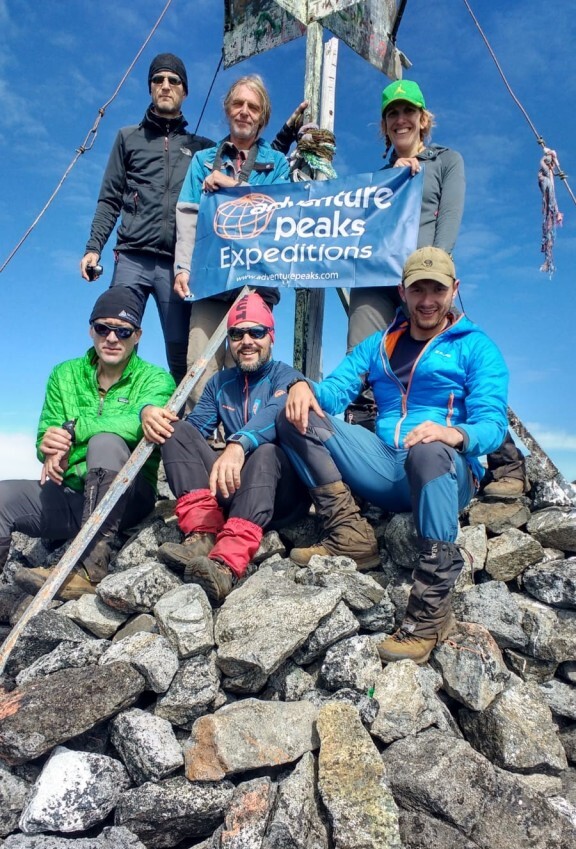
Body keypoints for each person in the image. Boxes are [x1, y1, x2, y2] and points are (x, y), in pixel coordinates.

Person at [277, 247, 509, 665]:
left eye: (436, 290)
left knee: (428, 452)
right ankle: (351, 536)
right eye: (417, 289)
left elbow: (493, 425)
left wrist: (453, 433)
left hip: (443, 473)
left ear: (454, 290)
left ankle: (428, 613)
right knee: (296, 416)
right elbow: (334, 391)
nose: (426, 300)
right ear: (402, 291)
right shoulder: (378, 344)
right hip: (384, 463)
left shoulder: (477, 348)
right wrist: (301, 386)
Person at [346, 78, 526, 497]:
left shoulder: (446, 161)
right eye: (392, 113)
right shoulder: (377, 176)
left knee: (451, 361)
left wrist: (432, 274)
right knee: (366, 355)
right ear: (385, 125)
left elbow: (450, 220)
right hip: (375, 278)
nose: (401, 119)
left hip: (425, 278)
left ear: (423, 119)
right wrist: (389, 180)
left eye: (409, 111)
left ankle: (507, 461)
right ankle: (377, 460)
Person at [2, 287, 175, 600]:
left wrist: (75, 430)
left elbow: (138, 426)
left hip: (128, 498)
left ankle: (90, 567)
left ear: (137, 335)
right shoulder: (63, 374)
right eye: (102, 328)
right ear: (90, 330)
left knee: (105, 442)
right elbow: (46, 434)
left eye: (122, 331)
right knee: (2, 497)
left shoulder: (156, 379)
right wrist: (49, 447)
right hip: (71, 495)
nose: (111, 338)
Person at [141, 292, 310, 603]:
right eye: (237, 333)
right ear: (229, 340)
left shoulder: (286, 375)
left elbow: (276, 412)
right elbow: (193, 434)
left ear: (271, 337)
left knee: (266, 451)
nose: (247, 341)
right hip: (238, 492)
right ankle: (203, 534)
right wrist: (149, 412)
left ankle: (227, 564)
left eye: (256, 332)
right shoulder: (219, 385)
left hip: (283, 495)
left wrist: (237, 445)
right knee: (174, 429)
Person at [80, 54, 213, 385]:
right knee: (113, 332)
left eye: (173, 80)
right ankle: (106, 410)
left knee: (181, 347)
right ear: (151, 88)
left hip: (177, 263)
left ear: (185, 90)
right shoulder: (128, 138)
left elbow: (244, 166)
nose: (165, 85)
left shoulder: (202, 149)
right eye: (158, 79)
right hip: (132, 256)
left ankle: (188, 422)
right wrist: (93, 247)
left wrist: (285, 138)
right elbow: (110, 196)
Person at [173, 74, 292, 406]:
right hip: (209, 280)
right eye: (238, 104)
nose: (244, 112)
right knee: (200, 365)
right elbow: (187, 216)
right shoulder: (202, 161)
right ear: (227, 110)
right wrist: (182, 268)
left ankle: (240, 441)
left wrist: (233, 188)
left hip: (256, 282)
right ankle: (204, 439)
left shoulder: (277, 163)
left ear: (263, 116)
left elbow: (280, 213)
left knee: (247, 362)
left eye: (252, 107)